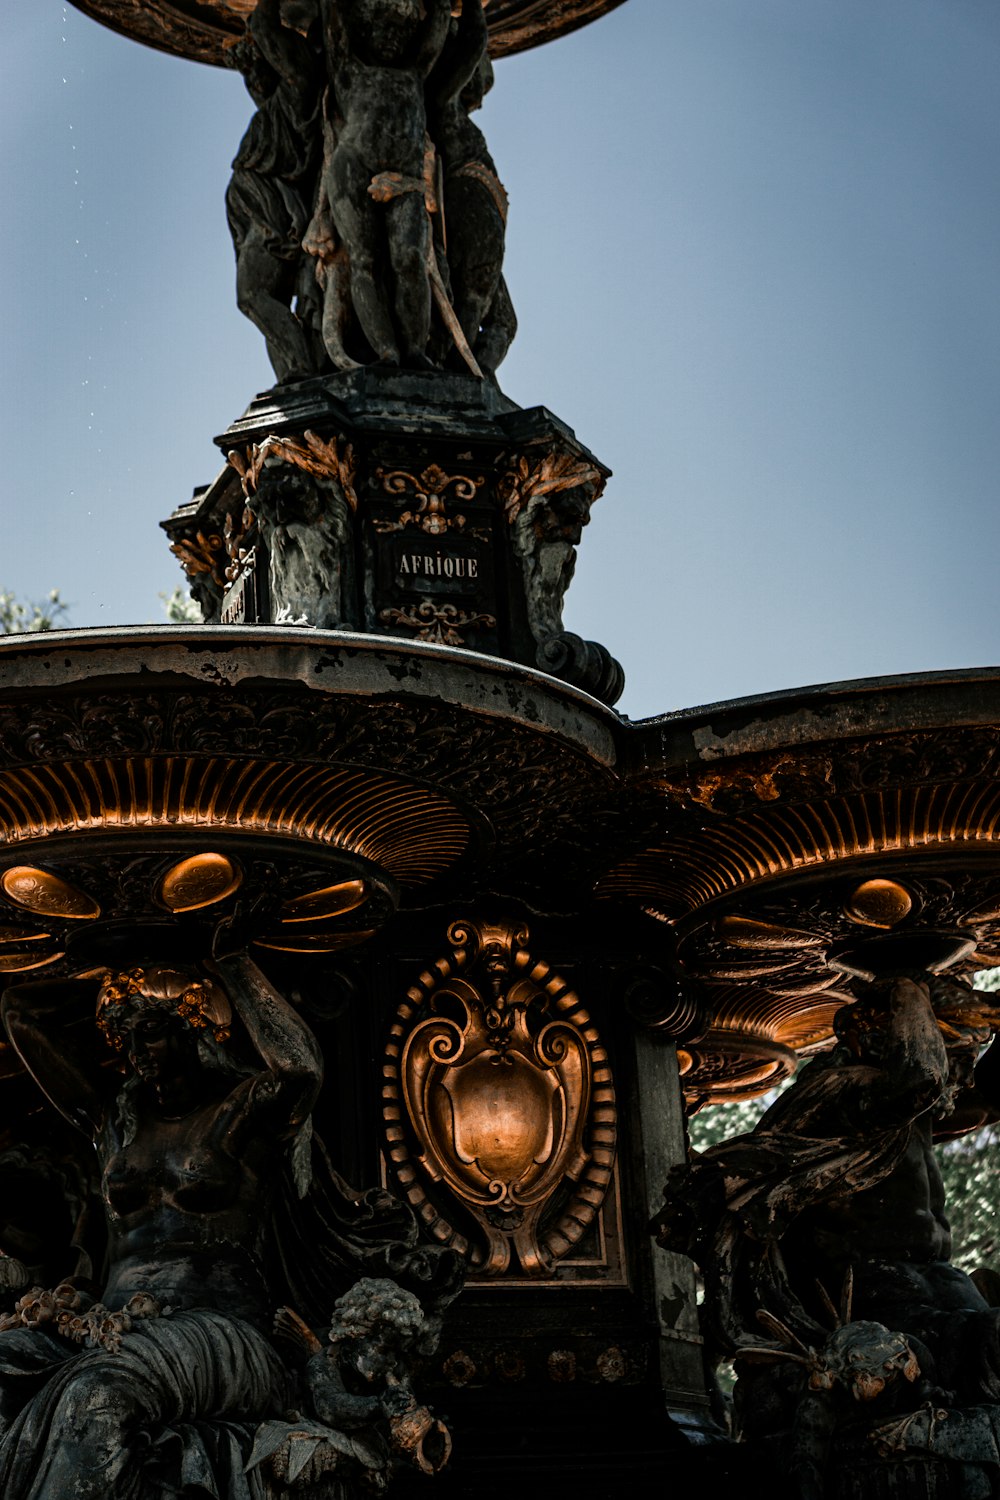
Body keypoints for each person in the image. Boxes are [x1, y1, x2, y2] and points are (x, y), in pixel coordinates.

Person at [0, 925, 322, 1498]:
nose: (133, 1052)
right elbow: (19, 1013)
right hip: (111, 1325)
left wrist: (231, 964)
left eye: (148, 1033)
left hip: (222, 1332)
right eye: (122, 1037)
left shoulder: (239, 1115)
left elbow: (299, 1071)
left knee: (97, 1396)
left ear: (193, 1028)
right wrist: (102, 966)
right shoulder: (114, 1124)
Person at [319, 0, 452, 368]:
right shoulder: (349, 70)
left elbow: (434, 36)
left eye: (397, 32)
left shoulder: (413, 74)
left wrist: (442, 8)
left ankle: (414, 349)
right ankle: (387, 351)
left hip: (406, 179)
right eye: (381, 30)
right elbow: (335, 30)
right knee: (364, 260)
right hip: (352, 171)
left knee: (408, 257)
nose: (390, 38)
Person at [226, 0, 324, 383]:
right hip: (258, 215)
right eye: (246, 73)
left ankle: (302, 372)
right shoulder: (270, 113)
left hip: (277, 219)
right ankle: (295, 377)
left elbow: (268, 30)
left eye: (256, 66)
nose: (251, 79)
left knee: (253, 297)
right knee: (264, 301)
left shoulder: (298, 96)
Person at [426, 0, 517, 373]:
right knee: (472, 304)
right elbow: (471, 46)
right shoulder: (441, 103)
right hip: (468, 208)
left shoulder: (451, 111)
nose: (484, 80)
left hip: (480, 209)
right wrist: (472, 11)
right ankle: (460, 375)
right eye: (480, 68)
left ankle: (473, 380)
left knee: (503, 322)